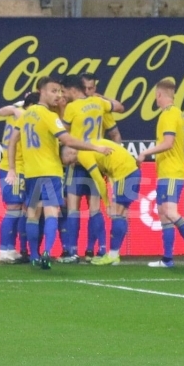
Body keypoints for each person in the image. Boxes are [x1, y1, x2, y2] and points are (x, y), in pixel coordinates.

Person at [5, 76, 113, 270]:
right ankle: (46, 253)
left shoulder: (26, 114)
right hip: (50, 171)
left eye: (60, 91)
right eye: (54, 91)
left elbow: (12, 141)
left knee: (32, 215)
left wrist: (12, 168)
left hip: (31, 173)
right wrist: (95, 148)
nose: (58, 95)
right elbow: (69, 141)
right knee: (52, 213)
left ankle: (34, 257)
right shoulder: (49, 116)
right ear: (42, 92)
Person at [137, 78, 184, 269]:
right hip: (168, 171)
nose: (155, 100)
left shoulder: (168, 115)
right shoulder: (179, 115)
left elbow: (168, 143)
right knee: (163, 213)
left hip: (172, 172)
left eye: (155, 97)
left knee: (170, 212)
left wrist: (145, 153)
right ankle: (167, 259)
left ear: (160, 95)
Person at [59, 74, 124, 263]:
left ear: (72, 89)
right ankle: (103, 249)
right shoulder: (98, 103)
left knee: (73, 209)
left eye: (64, 91)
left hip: (77, 161)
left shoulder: (71, 107)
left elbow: (62, 133)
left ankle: (72, 252)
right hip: (96, 161)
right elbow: (119, 106)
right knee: (95, 209)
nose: (64, 95)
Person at [61, 139, 141, 265]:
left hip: (124, 173)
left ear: (70, 152)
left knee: (116, 214)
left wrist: (107, 204)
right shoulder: (91, 144)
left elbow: (99, 181)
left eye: (70, 161)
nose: (72, 164)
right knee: (122, 214)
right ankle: (114, 254)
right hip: (131, 171)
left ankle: (113, 255)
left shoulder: (83, 154)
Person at [0, 92, 40, 263]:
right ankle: (4, 249)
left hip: (16, 167)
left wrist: (16, 106)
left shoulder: (16, 111)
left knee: (20, 208)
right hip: (13, 167)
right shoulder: (27, 115)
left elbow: (1, 111)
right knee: (13, 208)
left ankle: (12, 248)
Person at [80, 72, 123, 143]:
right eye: (83, 88)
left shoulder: (101, 106)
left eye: (90, 88)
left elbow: (115, 135)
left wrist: (116, 153)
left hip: (95, 150)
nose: (86, 91)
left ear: (94, 89)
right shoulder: (69, 103)